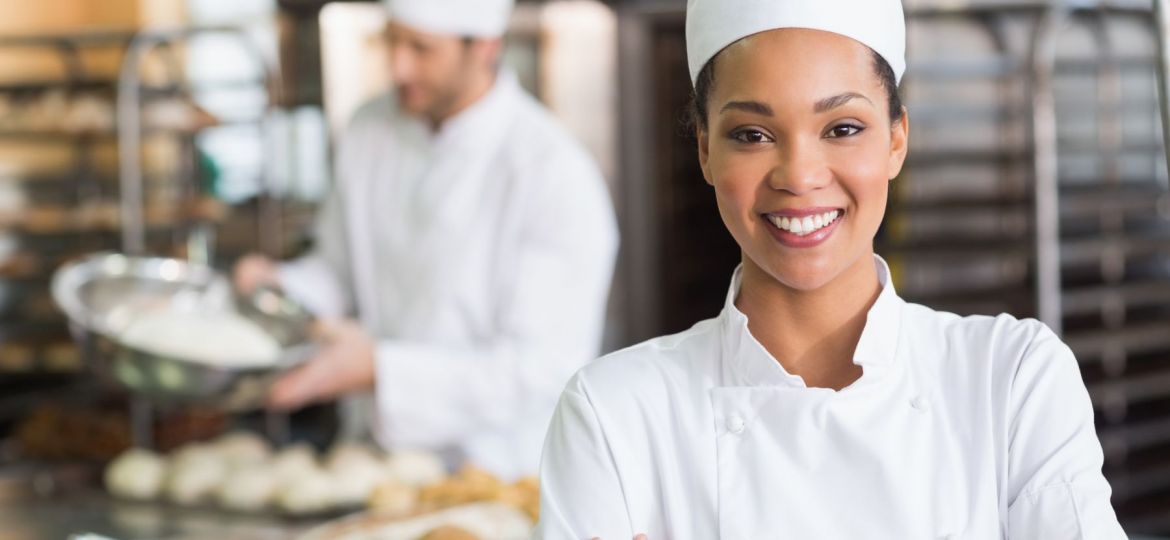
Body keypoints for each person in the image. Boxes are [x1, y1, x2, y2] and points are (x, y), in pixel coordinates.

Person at [534, 0, 1126, 537]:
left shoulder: (1011, 379)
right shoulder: (612, 413)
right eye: (752, 134)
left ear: (897, 140)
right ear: (706, 151)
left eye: (842, 128)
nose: (799, 174)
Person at [234, 0, 619, 480]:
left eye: (421, 48)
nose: (398, 66)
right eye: (391, 40)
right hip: (371, 463)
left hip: (499, 474)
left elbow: (540, 369)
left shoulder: (551, 170)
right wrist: (279, 288)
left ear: (484, 47)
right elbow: (339, 269)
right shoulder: (369, 128)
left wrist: (380, 369)